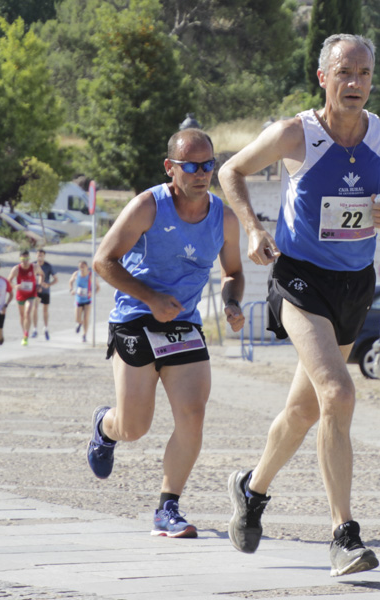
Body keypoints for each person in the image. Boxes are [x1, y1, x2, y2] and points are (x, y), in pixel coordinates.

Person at [217, 34, 380, 576]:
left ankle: (251, 489)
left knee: (305, 410)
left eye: (363, 73)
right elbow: (230, 172)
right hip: (300, 279)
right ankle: (344, 535)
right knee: (338, 393)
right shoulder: (297, 134)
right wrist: (252, 228)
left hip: (354, 285)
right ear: (323, 78)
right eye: (344, 73)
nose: (355, 83)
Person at [88, 128, 246, 539]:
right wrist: (151, 297)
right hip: (136, 317)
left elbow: (233, 272)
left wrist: (231, 302)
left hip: (183, 325)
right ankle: (105, 426)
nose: (201, 173)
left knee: (193, 415)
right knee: (134, 426)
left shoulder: (224, 218)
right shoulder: (148, 206)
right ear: (170, 168)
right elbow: (103, 261)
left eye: (208, 165)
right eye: (191, 166)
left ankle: (167, 506)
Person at [7, 249, 38, 346]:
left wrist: (40, 284)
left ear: (29, 258)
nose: (25, 260)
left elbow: (42, 274)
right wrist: (15, 286)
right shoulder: (16, 269)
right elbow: (9, 280)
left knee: (28, 312)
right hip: (20, 294)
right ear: (20, 258)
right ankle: (24, 331)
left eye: (27, 258)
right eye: (23, 258)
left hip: (31, 294)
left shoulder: (34, 267)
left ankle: (26, 335)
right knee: (22, 315)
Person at [31, 248, 58, 340]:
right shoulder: (33, 265)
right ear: (36, 255)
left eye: (41, 255)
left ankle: (46, 328)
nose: (40, 257)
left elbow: (56, 279)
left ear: (44, 256)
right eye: (38, 255)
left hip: (45, 291)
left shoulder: (48, 266)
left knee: (45, 310)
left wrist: (48, 284)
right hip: (35, 290)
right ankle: (34, 329)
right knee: (35, 309)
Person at [72, 260, 94, 343]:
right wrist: (72, 289)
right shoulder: (76, 274)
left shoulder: (90, 275)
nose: (81, 268)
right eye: (80, 266)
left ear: (86, 267)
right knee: (77, 318)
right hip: (78, 299)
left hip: (87, 299)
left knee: (86, 318)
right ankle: (79, 323)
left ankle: (84, 335)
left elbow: (97, 287)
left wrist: (91, 293)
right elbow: (70, 282)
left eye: (83, 266)